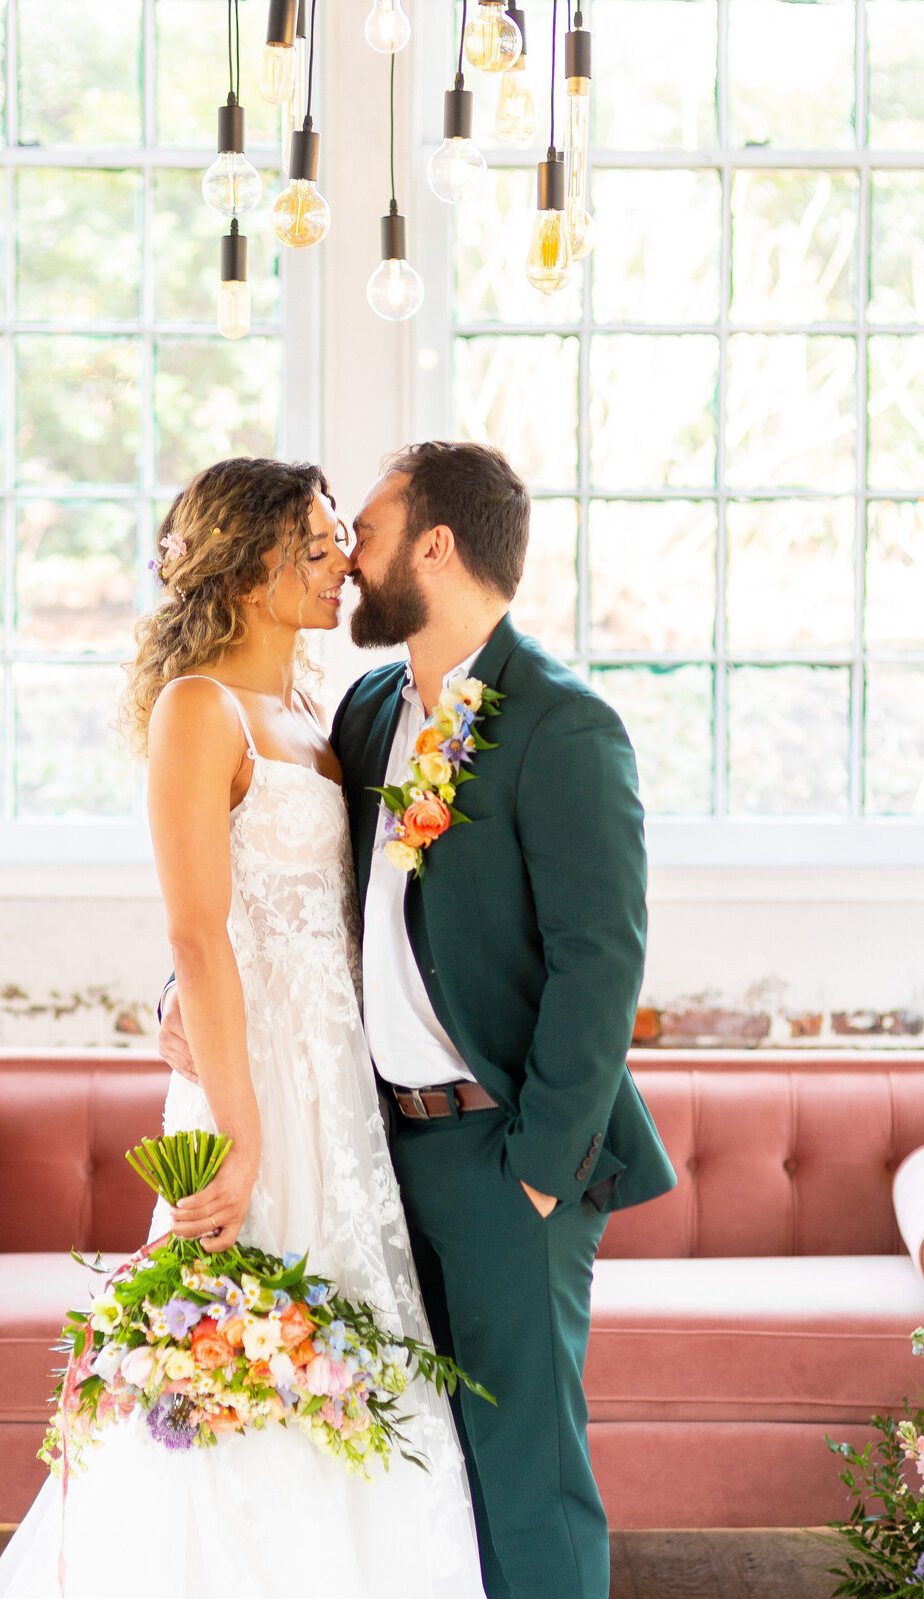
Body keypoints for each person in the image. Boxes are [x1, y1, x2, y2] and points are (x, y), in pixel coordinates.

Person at [160, 441, 678, 1599]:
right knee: (421, 1471)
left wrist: (540, 1171)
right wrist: (172, 994)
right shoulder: (366, 707)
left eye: (371, 530)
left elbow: (605, 963)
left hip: (506, 1157)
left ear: (435, 548)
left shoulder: (564, 725)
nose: (348, 557)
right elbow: (270, 889)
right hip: (369, 1152)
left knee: (528, 1480)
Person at [0, 457, 485, 1599]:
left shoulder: (314, 712)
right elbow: (202, 932)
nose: (342, 560)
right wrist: (241, 1133)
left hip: (337, 1084)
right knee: (243, 1353)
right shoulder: (196, 708)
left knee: (349, 1337)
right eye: (316, 543)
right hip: (251, 1082)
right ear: (255, 564)